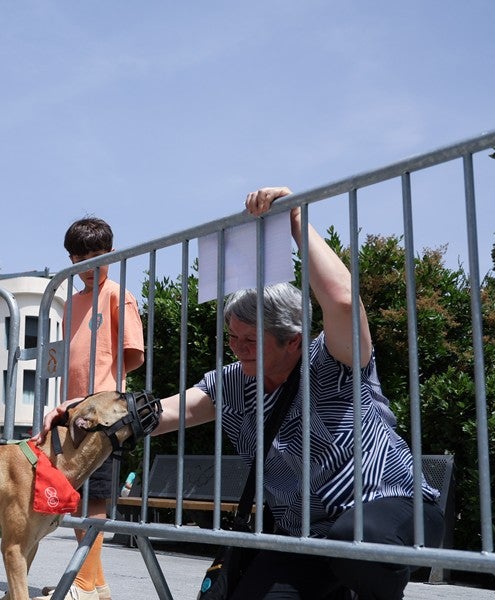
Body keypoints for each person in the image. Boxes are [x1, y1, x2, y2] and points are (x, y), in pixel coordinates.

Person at [42, 187, 444, 600]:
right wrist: (83, 412)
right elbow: (160, 414)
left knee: (360, 543)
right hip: (305, 535)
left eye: (251, 339)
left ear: (294, 340)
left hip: (391, 509)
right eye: (232, 337)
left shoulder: (332, 362)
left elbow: (342, 300)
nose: (237, 348)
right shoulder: (233, 381)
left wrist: (296, 220)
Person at [36, 218, 145, 600]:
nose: (88, 266)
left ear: (111, 255)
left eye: (96, 257)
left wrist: (96, 399)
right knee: (75, 498)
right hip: (75, 411)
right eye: (80, 258)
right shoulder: (73, 301)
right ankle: (93, 582)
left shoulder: (118, 294)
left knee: (93, 499)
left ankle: (86, 582)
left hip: (104, 416)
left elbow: (132, 357)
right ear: (70, 259)